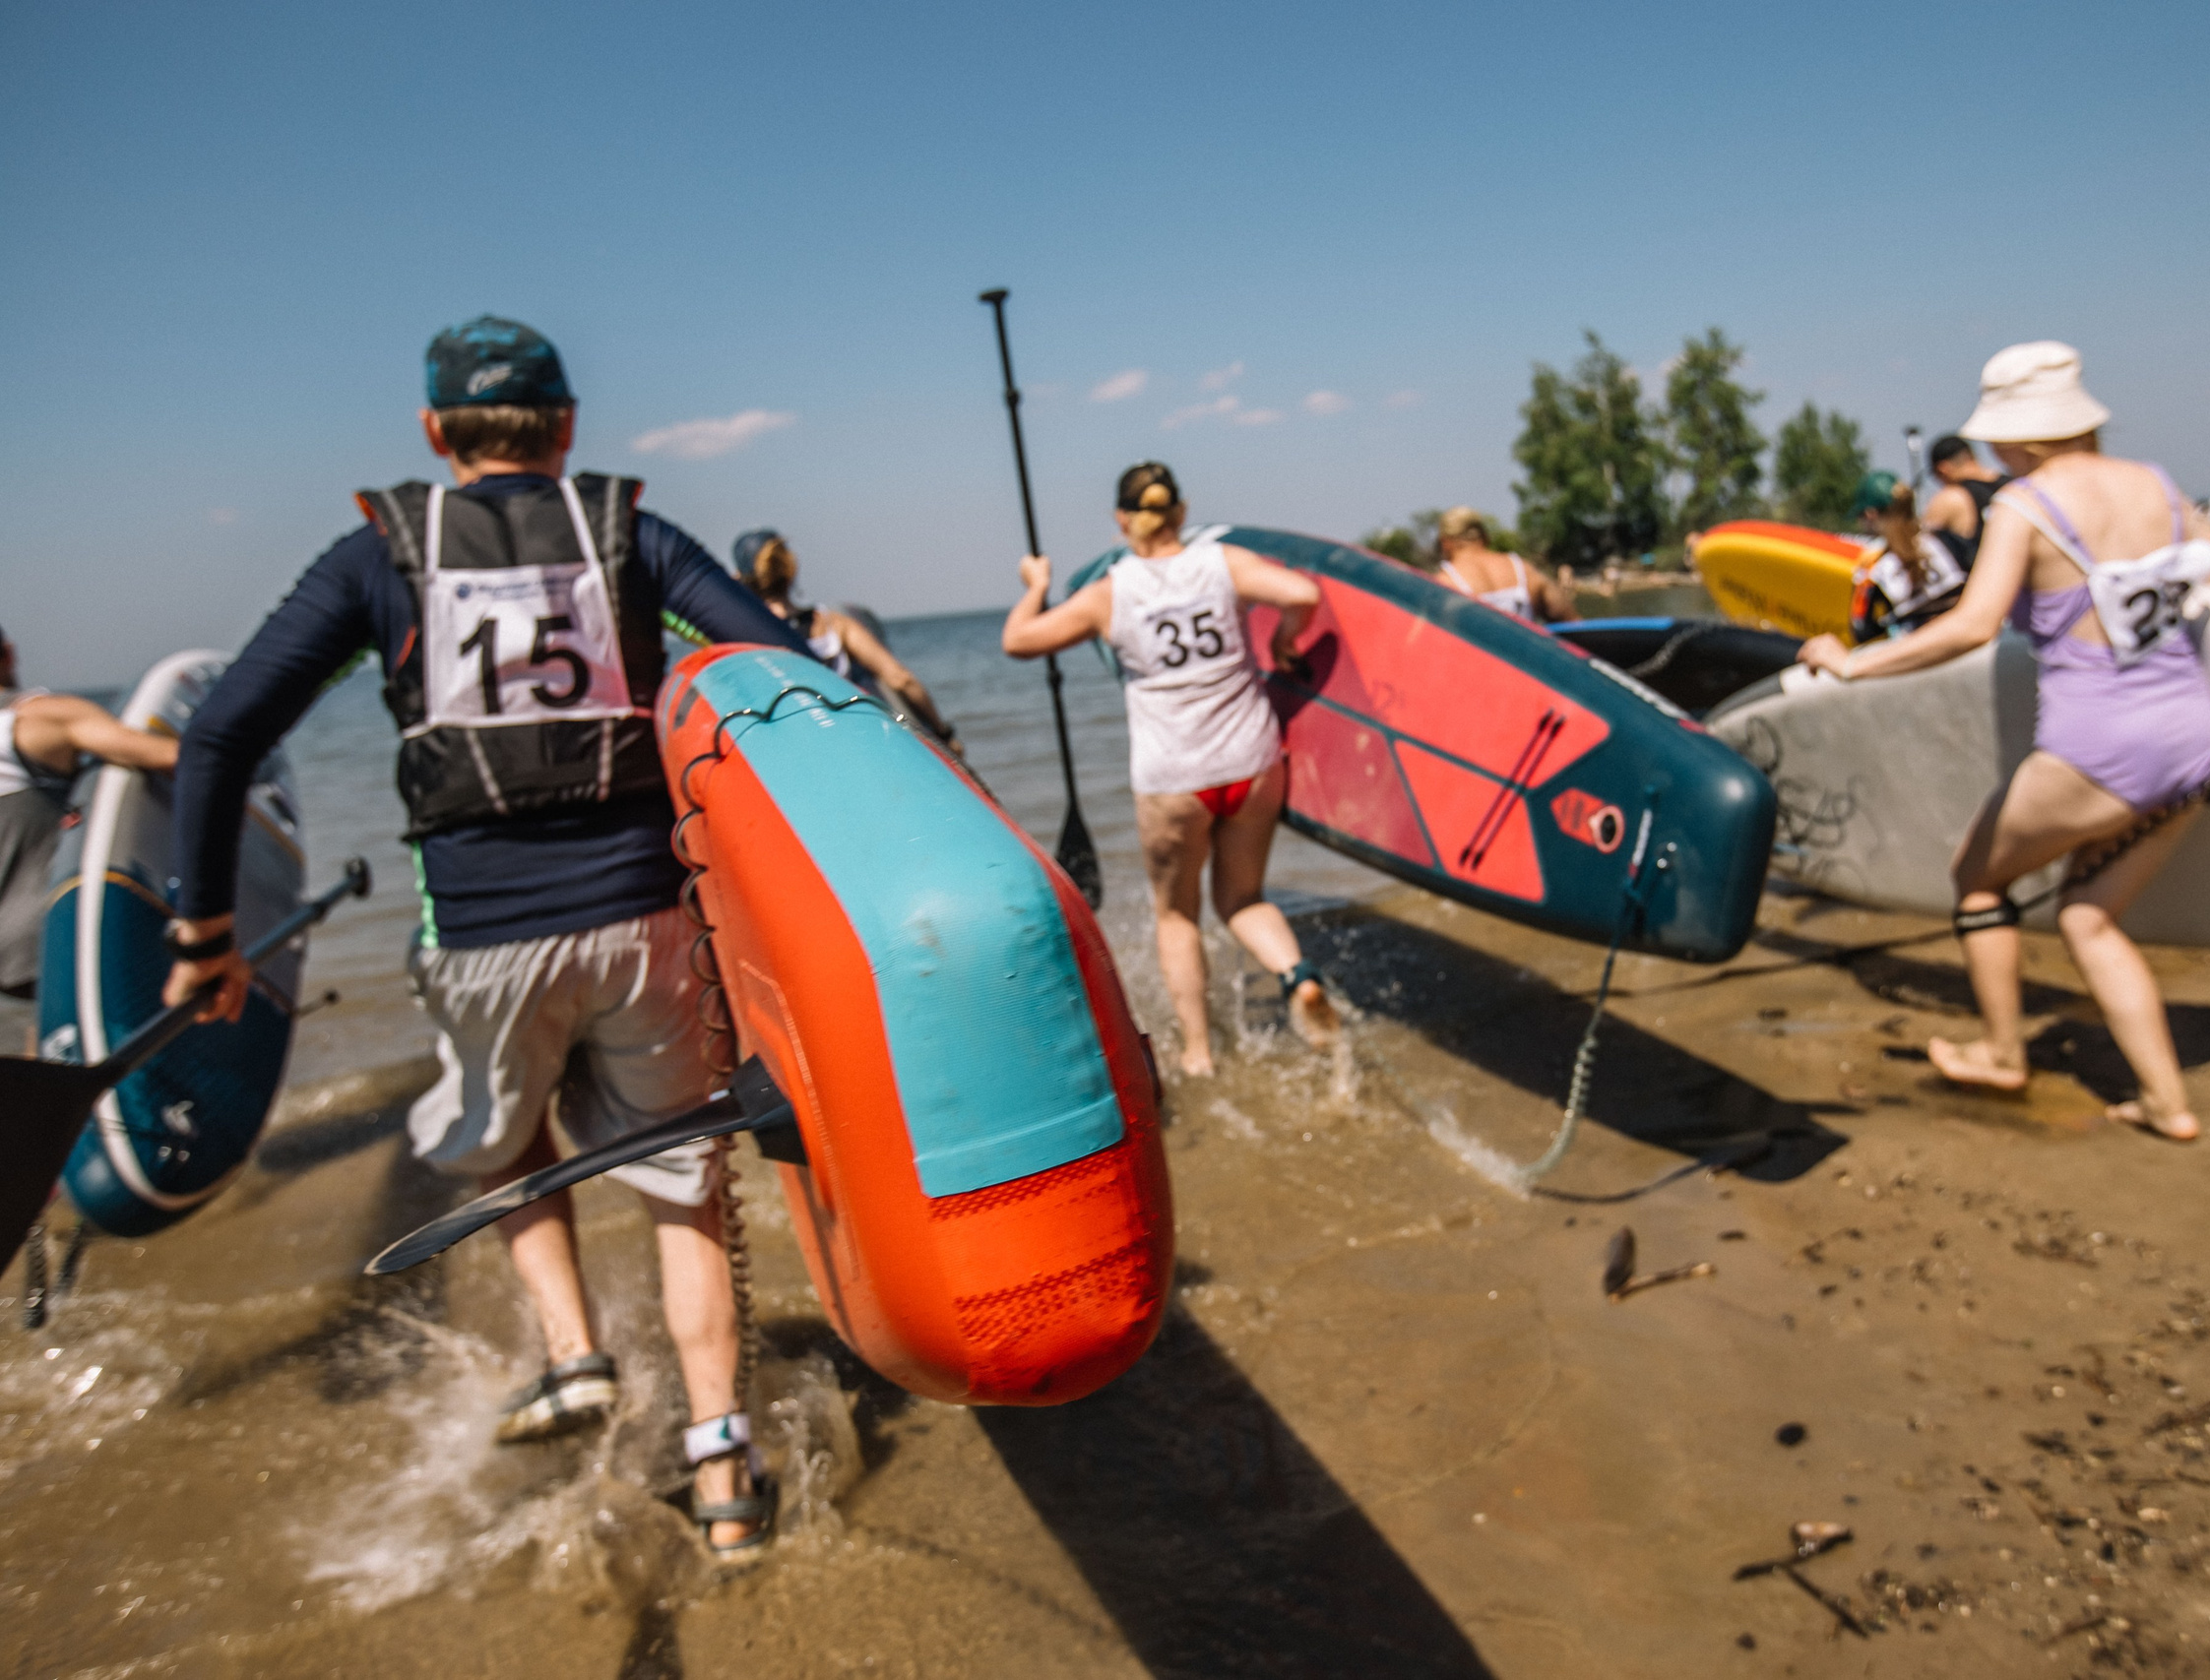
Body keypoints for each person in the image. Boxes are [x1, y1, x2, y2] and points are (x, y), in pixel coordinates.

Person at [162, 317, 815, 1554]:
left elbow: (218, 737)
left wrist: (205, 934)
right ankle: (725, 1470)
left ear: (432, 434)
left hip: (478, 940)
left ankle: (573, 1355)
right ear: (566, 428)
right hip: (644, 922)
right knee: (684, 1180)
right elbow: (782, 667)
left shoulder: (379, 559)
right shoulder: (633, 535)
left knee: (503, 1137)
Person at [1794, 342, 2210, 1142]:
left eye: (2000, 436)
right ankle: (2168, 1104)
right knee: (2086, 916)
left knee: (1976, 875)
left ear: (2027, 436)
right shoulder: (2157, 486)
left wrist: (1852, 664)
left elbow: (1970, 625)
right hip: (2192, 737)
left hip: (2100, 746)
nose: (1994, 451)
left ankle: (2003, 1052)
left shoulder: (2024, 504)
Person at [1000, 462, 1340, 1077]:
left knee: (1177, 914)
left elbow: (1019, 642)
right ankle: (1297, 976)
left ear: (1121, 521)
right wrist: (1288, 643)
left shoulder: (1108, 594)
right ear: (1181, 513)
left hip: (1174, 779)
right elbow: (1304, 595)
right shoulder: (1223, 562)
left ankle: (1200, 1055)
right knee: (1242, 898)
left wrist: (1035, 583)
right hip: (1252, 761)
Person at [0, 630, 180, 1000]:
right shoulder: (40, 718)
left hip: (8, 962)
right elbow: (175, 760)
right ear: (8, 653)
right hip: (64, 934)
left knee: (50, 1050)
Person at [729, 529, 963, 751]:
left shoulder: (739, 638)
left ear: (740, 579)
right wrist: (943, 733)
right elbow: (900, 679)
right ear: (790, 570)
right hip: (857, 738)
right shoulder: (834, 625)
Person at [1848, 470, 1968, 641]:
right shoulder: (1945, 540)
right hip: (1966, 641)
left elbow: (1861, 630)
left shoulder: (1875, 567)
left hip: (1921, 654)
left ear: (1870, 514)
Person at [1432, 508, 1574, 623]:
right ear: (1485, 536)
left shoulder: (1444, 582)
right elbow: (1574, 625)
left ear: (1445, 543)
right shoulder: (1524, 570)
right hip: (1520, 657)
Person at [1920, 435, 2010, 567]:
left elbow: (1922, 549)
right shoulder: (2014, 486)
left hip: (1985, 580)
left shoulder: (1951, 498)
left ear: (1943, 469)